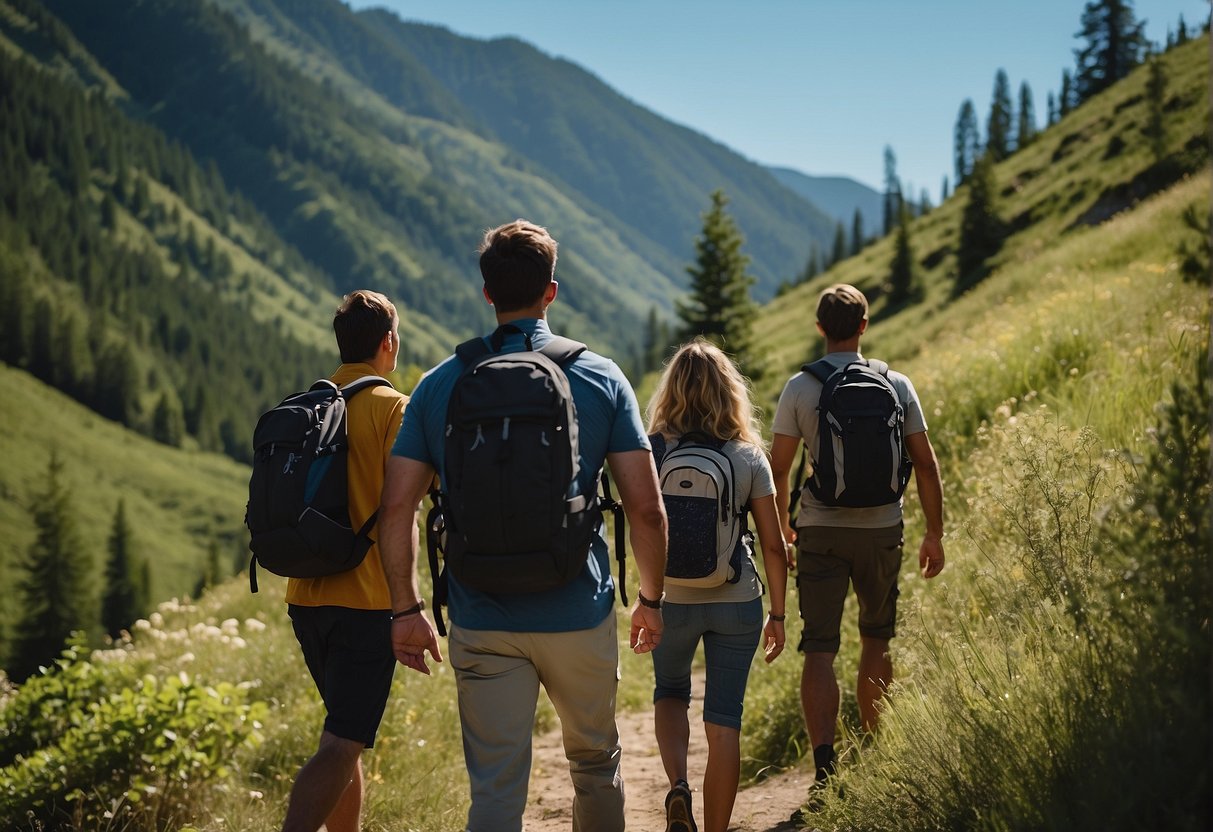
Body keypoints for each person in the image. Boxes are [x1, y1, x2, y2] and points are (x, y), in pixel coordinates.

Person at [378, 219, 668, 832]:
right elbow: (645, 507)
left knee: (495, 791)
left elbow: (397, 507)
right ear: (551, 292)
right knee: (595, 764)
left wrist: (406, 610)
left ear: (488, 294)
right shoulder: (600, 377)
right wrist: (650, 600)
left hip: (481, 617)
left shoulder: (439, 385)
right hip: (578, 611)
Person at [769, 283, 945, 799]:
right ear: (864, 325)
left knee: (819, 649)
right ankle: (874, 752)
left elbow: (777, 470)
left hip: (820, 531)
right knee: (877, 638)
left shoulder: (800, 387)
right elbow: (927, 464)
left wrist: (783, 530)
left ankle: (825, 765)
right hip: (882, 530)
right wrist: (934, 533)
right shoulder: (898, 384)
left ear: (820, 328)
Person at [646, 339, 789, 832]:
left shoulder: (652, 449)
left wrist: (646, 599)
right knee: (724, 718)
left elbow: (644, 522)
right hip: (737, 600)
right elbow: (774, 545)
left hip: (671, 600)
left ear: (672, 392)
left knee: (670, 691)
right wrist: (779, 614)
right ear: (730, 393)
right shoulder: (748, 456)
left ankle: (678, 786)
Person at [281, 290, 409, 832]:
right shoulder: (392, 408)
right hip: (366, 601)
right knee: (341, 742)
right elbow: (409, 502)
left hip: (305, 597)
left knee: (342, 736)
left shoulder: (309, 403)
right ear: (388, 342)